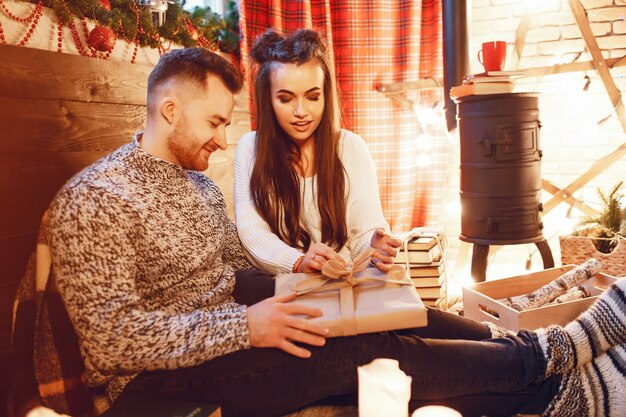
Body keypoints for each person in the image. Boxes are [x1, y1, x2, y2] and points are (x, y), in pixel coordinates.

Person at [46, 47, 626, 417]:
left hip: (228, 319)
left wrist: (309, 282)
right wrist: (246, 325)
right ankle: (543, 362)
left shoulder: (193, 184)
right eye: (216, 123)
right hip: (159, 380)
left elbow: (234, 266)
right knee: (367, 349)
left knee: (389, 310)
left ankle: (526, 362)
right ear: (170, 110)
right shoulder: (95, 200)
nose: (223, 139)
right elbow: (111, 343)